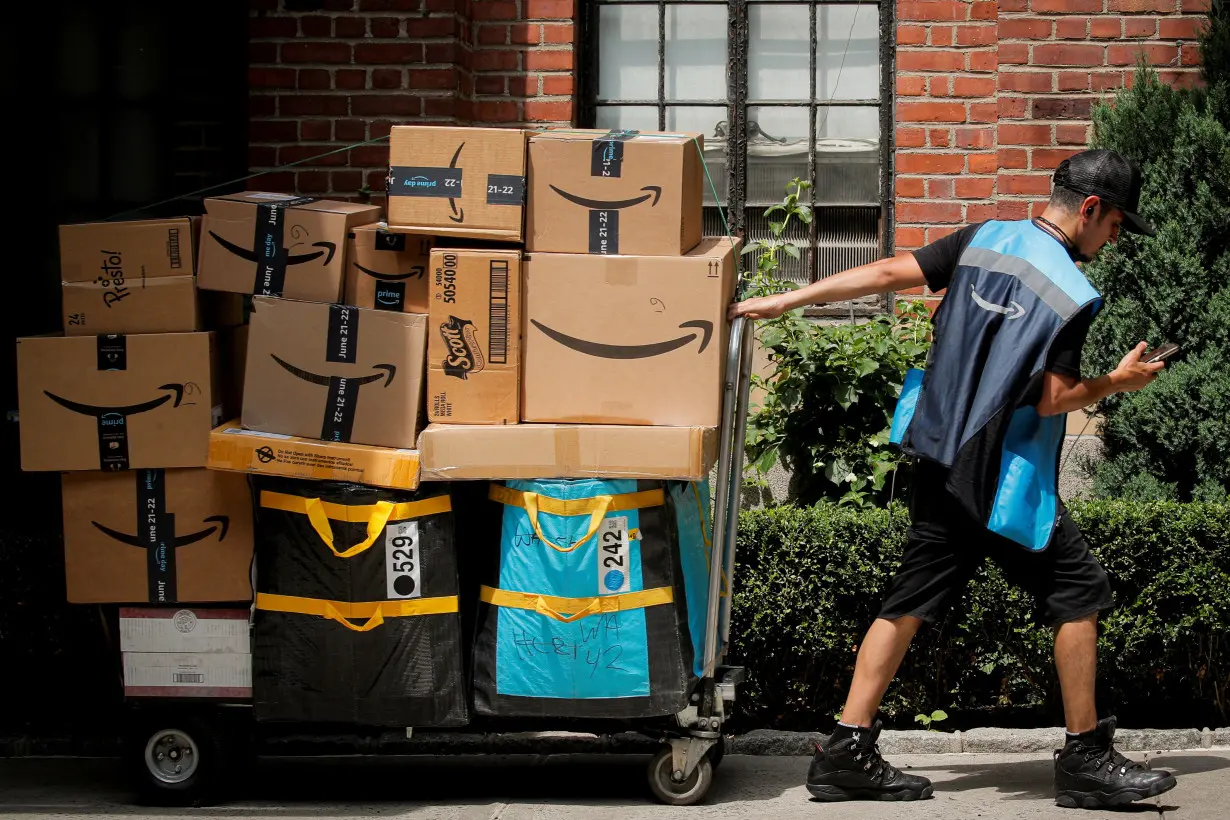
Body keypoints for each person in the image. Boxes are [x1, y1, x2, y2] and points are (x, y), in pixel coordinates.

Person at [728, 149, 1178, 809]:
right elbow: (1052, 399)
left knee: (910, 598)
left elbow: (887, 271)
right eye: (1113, 226)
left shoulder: (983, 237)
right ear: (1089, 210)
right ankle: (1085, 758)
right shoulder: (1073, 292)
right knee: (1079, 590)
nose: (1111, 242)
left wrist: (788, 299)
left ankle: (846, 751)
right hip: (998, 474)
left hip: (938, 451)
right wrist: (1118, 381)